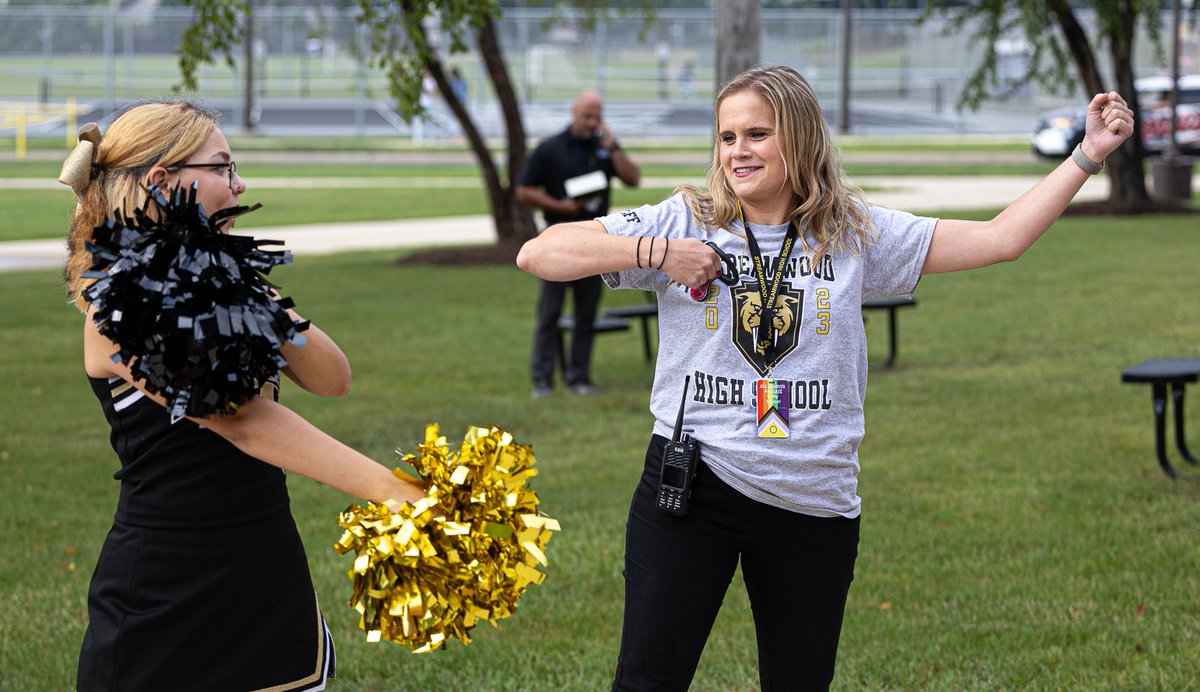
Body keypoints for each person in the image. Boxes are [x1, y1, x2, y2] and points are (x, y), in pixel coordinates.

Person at [516, 65, 1133, 690]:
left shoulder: (853, 232)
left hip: (814, 496)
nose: (738, 152)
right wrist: (655, 253)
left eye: (757, 134)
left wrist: (1087, 155)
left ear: (800, 138)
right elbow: (539, 253)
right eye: (727, 137)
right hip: (694, 485)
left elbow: (1001, 238)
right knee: (647, 681)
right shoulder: (687, 221)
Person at [61, 100, 427, 691]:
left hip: (263, 567)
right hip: (168, 585)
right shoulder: (117, 302)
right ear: (162, 182)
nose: (241, 184)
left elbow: (333, 379)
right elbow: (242, 421)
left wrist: (249, 290)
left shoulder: (223, 283)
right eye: (224, 169)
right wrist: (390, 490)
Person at [515, 89, 641, 397]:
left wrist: (612, 149)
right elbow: (523, 190)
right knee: (550, 313)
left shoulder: (604, 147)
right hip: (557, 240)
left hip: (596, 242)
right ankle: (542, 380)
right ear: (574, 113)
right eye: (587, 116)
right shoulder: (551, 148)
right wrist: (560, 206)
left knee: (587, 314)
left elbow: (633, 179)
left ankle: (579, 377)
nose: (592, 122)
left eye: (597, 116)